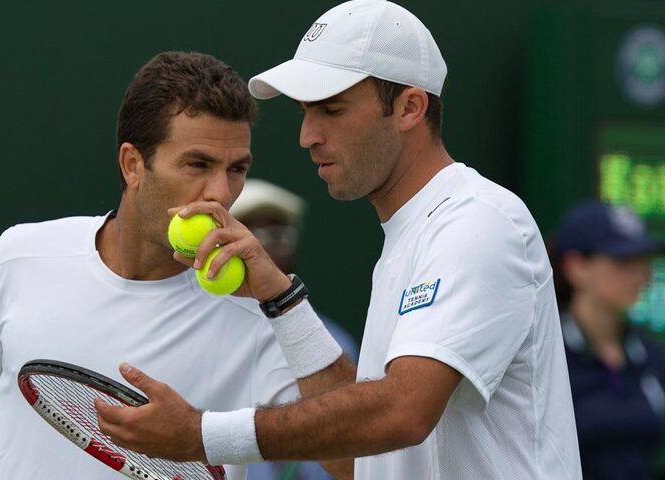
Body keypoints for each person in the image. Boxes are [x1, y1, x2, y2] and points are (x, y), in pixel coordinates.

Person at [94, 1, 582, 479]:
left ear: (410, 107)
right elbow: (355, 460)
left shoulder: (477, 222)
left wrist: (201, 435)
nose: (308, 135)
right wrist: (280, 297)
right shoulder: (416, 233)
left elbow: (403, 412)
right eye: (307, 111)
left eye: (332, 109)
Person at [0, 51, 305, 480]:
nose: (221, 192)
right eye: (198, 164)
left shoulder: (263, 313)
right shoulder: (21, 257)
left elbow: (357, 460)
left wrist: (284, 303)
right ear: (133, 165)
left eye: (237, 169)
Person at [233, 178, 359, 480]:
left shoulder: (335, 342)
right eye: (252, 233)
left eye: (278, 234)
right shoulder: (202, 336)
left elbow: (354, 455)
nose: (264, 248)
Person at [552, 200, 665, 480]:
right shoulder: (546, 357)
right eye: (623, 261)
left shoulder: (653, 357)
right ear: (576, 267)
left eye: (642, 261)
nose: (640, 275)